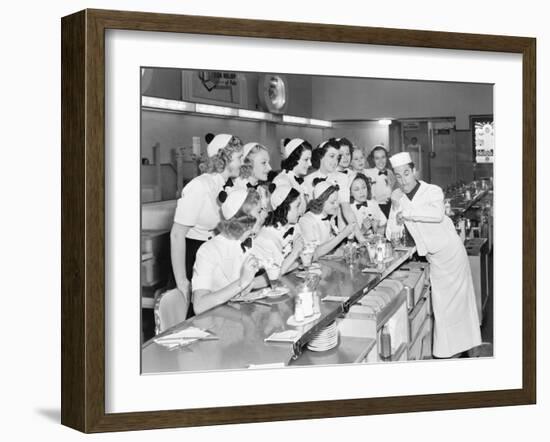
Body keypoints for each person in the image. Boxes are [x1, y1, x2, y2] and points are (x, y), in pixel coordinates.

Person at [385, 152, 481, 358]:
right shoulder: (398, 198)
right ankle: (449, 353)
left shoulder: (432, 191)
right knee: (443, 309)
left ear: (414, 171)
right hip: (434, 258)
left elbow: (437, 215)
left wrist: (407, 212)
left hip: (452, 254)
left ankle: (459, 352)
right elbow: (390, 233)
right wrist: (394, 206)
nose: (403, 180)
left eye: (406, 174)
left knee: (457, 307)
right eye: (398, 176)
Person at [170, 133, 243, 309]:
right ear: (224, 158)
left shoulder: (225, 185)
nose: (242, 162)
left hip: (210, 256)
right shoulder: (200, 186)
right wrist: (182, 281)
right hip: (191, 255)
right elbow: (177, 235)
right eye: (239, 157)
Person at [191, 188, 266, 314]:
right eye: (259, 211)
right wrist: (242, 282)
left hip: (241, 315)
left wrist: (251, 283)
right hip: (217, 321)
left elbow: (272, 272)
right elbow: (199, 306)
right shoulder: (208, 251)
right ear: (247, 217)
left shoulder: (249, 242)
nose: (264, 215)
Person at [304, 139, 365, 242]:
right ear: (321, 156)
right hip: (314, 230)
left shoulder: (342, 178)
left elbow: (347, 209)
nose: (335, 161)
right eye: (331, 156)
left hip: (336, 230)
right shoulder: (307, 181)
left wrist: (361, 238)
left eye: (337, 158)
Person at [253, 183, 305, 275]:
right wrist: (295, 253)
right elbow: (276, 273)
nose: (300, 211)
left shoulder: (294, 225)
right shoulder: (267, 237)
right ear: (284, 208)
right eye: (297, 206)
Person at [298, 180, 357, 259]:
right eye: (332, 202)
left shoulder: (329, 217)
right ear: (320, 202)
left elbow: (330, 246)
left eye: (337, 201)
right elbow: (314, 253)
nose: (336, 205)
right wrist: (343, 234)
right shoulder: (306, 221)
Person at [272, 138, 313, 212]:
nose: (310, 164)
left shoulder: (300, 180)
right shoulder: (282, 181)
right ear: (294, 159)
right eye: (306, 159)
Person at [234, 142, 272, 213]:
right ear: (248, 164)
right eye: (264, 163)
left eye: (268, 163)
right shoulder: (235, 192)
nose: (270, 168)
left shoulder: (262, 190)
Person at [365, 145, 396, 219]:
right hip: (375, 209)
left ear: (387, 158)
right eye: (377, 158)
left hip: (390, 208)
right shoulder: (367, 173)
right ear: (373, 159)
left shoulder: (390, 172)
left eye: (383, 157)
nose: (381, 161)